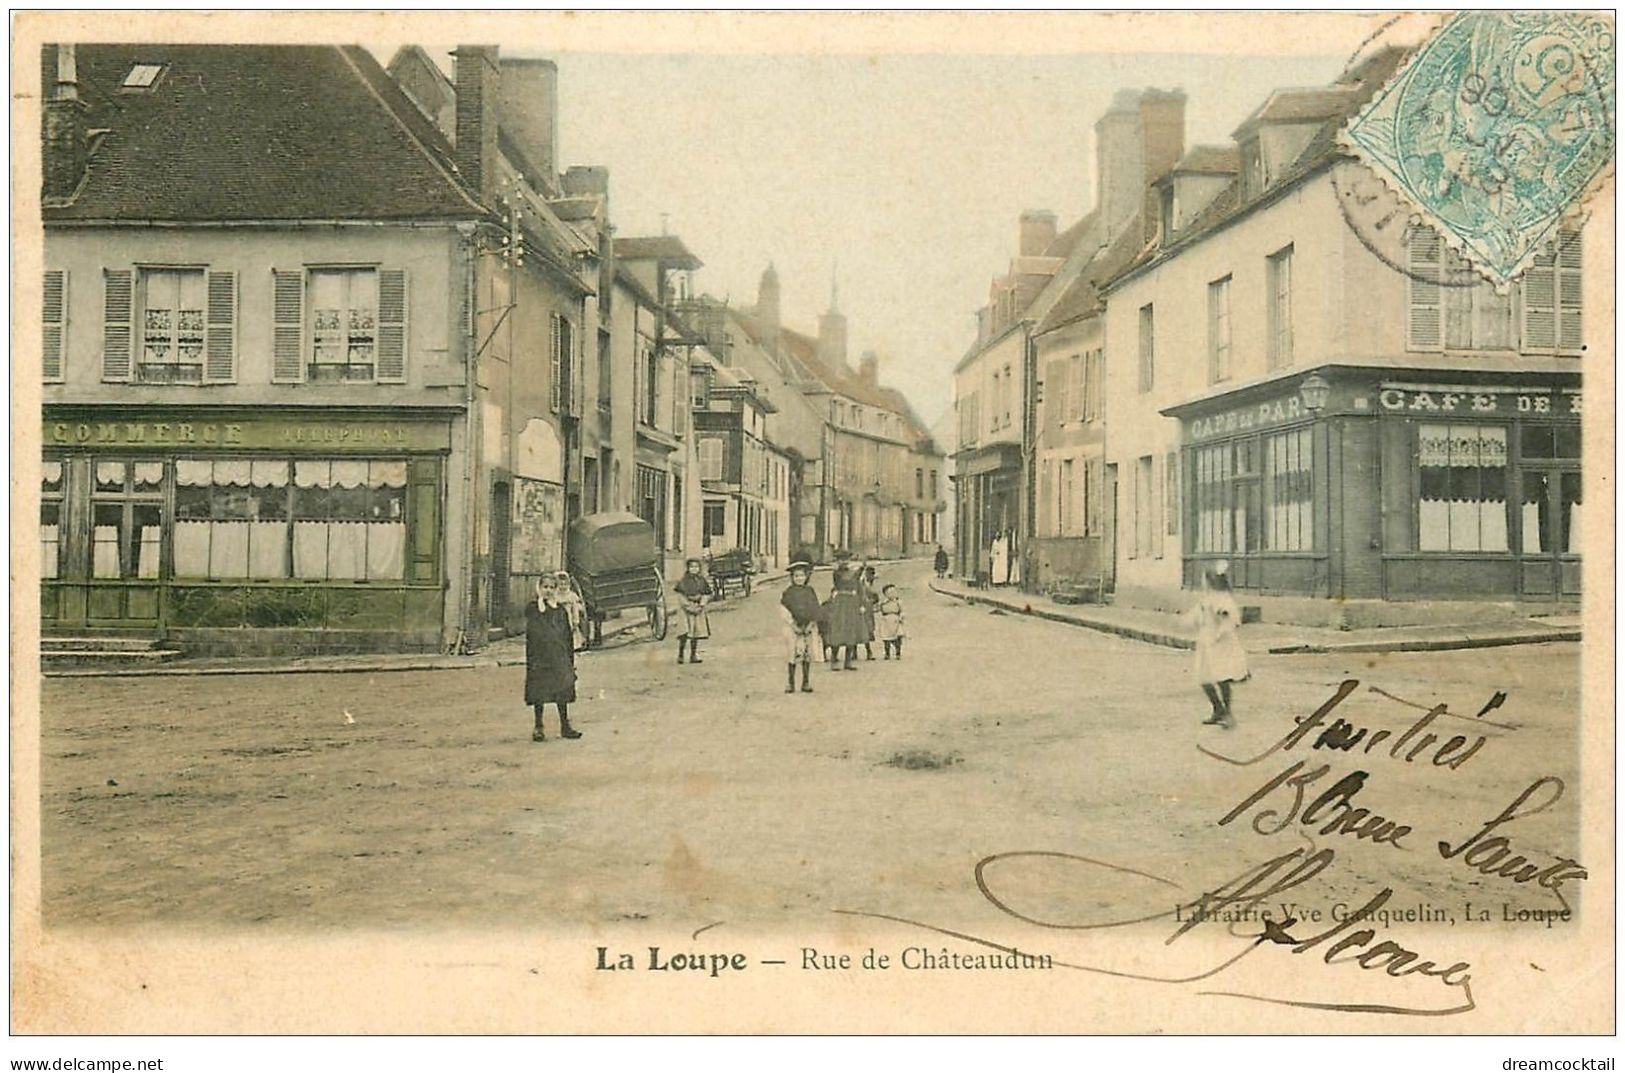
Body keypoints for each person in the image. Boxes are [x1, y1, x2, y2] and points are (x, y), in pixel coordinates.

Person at [1191, 561, 1247, 729]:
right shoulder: (1206, 599)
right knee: (1204, 677)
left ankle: (1226, 712)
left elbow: (1230, 620)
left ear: (1210, 580)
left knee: (1222, 676)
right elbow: (1198, 618)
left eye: (1204, 579)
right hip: (1206, 641)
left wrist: (1218, 635)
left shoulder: (1222, 599)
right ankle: (1218, 709)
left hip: (1220, 643)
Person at [525, 574, 581, 742]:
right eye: (545, 587)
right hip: (540, 657)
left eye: (551, 587)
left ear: (556, 590)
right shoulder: (533, 608)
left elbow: (566, 635)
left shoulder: (560, 610)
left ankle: (565, 726)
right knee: (539, 692)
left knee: (562, 689)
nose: (548, 591)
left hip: (559, 656)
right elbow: (532, 633)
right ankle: (538, 726)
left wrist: (569, 658)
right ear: (539, 588)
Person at [779, 560, 822, 693]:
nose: (799, 579)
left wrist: (811, 623)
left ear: (806, 577)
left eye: (802, 576)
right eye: (796, 576)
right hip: (793, 628)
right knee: (792, 653)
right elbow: (784, 610)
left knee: (806, 653)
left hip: (808, 627)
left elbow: (816, 608)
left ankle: (805, 682)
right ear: (792, 577)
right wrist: (793, 625)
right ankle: (791, 682)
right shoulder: (788, 593)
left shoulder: (810, 591)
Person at [822, 561, 867, 671]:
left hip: (852, 604)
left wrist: (861, 604)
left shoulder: (855, 575)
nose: (845, 562)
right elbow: (837, 578)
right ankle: (834, 660)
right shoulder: (838, 574)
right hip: (840, 604)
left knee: (851, 631)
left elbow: (860, 587)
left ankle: (848, 661)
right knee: (838, 630)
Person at [673, 557, 712, 665]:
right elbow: (680, 596)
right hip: (686, 610)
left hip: (698, 608)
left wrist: (701, 604)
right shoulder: (683, 581)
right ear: (688, 568)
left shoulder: (702, 581)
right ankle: (680, 654)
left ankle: (693, 654)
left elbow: (706, 593)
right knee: (684, 632)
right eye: (691, 567)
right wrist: (688, 606)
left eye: (696, 567)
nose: (694, 569)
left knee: (696, 632)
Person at [876, 583, 905, 659]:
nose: (892, 594)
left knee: (898, 637)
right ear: (885, 594)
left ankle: (898, 653)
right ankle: (887, 653)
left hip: (895, 620)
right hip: (886, 621)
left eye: (894, 592)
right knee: (886, 638)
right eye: (889, 593)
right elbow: (878, 609)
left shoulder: (898, 602)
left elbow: (902, 611)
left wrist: (901, 617)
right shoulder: (883, 603)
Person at [857, 558, 878, 660]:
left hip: (867, 610)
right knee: (858, 629)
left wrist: (871, 602)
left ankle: (868, 651)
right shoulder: (860, 584)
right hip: (859, 608)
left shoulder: (870, 586)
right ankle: (856, 652)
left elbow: (875, 598)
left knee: (866, 630)